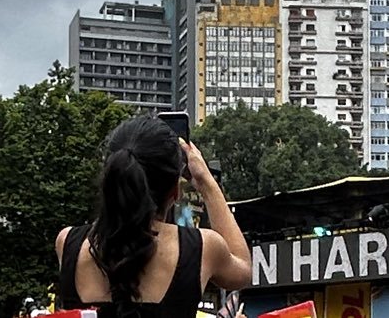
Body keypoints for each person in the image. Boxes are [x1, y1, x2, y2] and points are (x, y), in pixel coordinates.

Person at [55, 117, 252, 317]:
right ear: (175, 191)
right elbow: (242, 270)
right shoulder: (201, 248)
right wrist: (206, 182)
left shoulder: (68, 244)